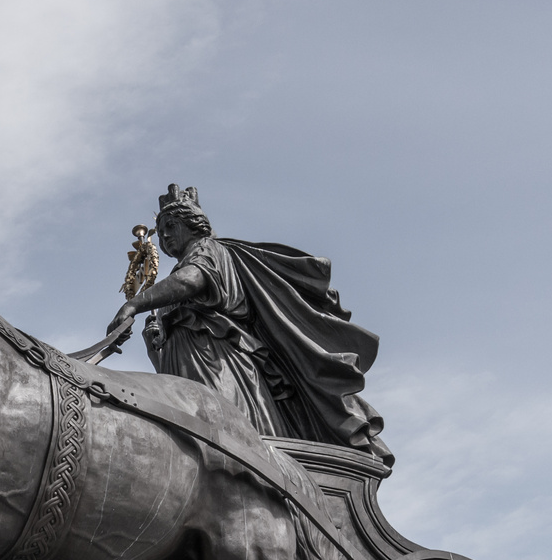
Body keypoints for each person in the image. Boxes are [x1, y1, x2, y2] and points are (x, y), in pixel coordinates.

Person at [106, 185, 393, 464]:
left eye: (171, 225)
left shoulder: (209, 250)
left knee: (230, 440)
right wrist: (155, 345)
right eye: (162, 228)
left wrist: (134, 303)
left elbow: (193, 279)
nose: (165, 235)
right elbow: (170, 358)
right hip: (191, 365)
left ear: (192, 225)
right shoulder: (174, 280)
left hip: (219, 361)